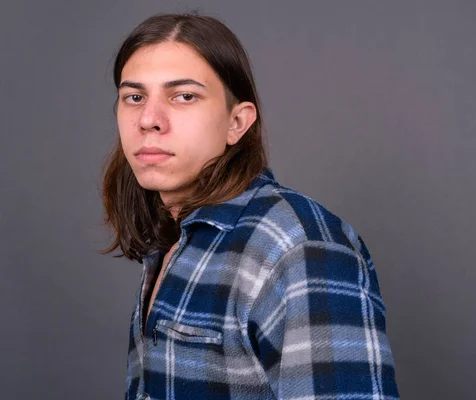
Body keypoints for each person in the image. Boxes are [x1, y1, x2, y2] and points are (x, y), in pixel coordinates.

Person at [101, 12, 400, 400]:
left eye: (184, 96)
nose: (149, 119)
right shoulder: (173, 241)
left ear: (237, 123)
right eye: (135, 97)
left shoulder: (299, 247)